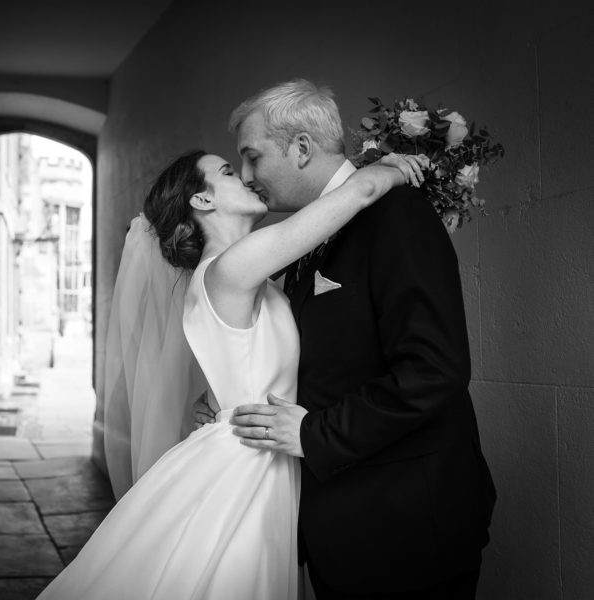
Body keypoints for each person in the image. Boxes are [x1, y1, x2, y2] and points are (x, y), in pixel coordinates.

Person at [37, 147, 423, 599]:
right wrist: (397, 167)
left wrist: (217, 400)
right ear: (202, 202)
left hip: (257, 452)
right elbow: (362, 189)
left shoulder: (249, 273)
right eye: (227, 171)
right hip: (244, 467)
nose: (246, 177)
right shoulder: (233, 267)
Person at [194, 79, 497, 599]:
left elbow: (434, 369)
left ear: (302, 148)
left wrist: (315, 436)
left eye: (251, 157)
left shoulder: (396, 215)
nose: (247, 177)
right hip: (342, 529)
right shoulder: (302, 244)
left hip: (408, 530)